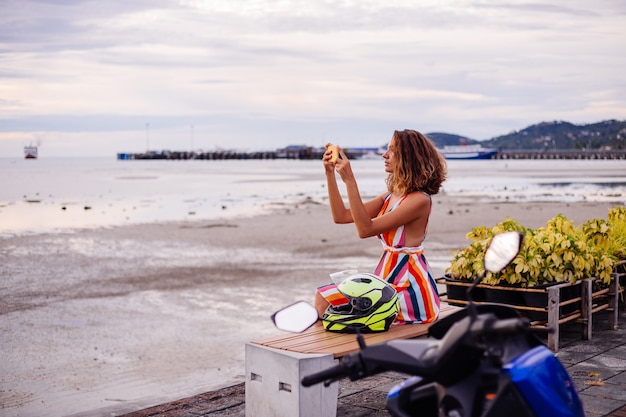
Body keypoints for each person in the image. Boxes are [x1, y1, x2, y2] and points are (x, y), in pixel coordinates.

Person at [315, 129, 447, 324]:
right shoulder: (391, 195)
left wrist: (350, 180)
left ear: (408, 158)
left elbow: (365, 230)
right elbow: (341, 216)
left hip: (409, 291)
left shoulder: (420, 200)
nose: (384, 155)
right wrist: (329, 174)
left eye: (392, 151)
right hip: (387, 280)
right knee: (324, 298)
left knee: (333, 305)